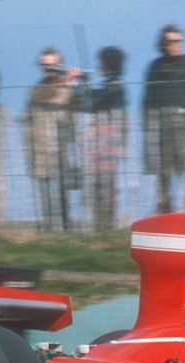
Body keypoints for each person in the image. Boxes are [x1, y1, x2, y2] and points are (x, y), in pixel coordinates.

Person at [142, 24, 185, 214]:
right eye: (170, 41)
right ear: (162, 44)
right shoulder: (154, 67)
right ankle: (165, 217)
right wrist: (149, 128)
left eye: (178, 41)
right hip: (163, 132)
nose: (175, 45)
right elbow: (148, 101)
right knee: (164, 176)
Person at [25, 47, 82, 232]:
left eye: (53, 66)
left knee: (60, 194)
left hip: (60, 149)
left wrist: (73, 81)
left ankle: (64, 228)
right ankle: (50, 230)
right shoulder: (36, 90)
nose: (49, 70)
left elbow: (77, 104)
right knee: (44, 195)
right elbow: (31, 117)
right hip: (39, 148)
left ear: (60, 65)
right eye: (45, 66)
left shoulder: (68, 88)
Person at [84, 46, 127, 230]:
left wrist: (82, 86)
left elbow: (94, 103)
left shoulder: (115, 86)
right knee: (102, 184)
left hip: (107, 143)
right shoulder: (113, 85)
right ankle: (102, 224)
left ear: (108, 64)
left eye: (101, 62)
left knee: (105, 184)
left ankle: (105, 225)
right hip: (105, 143)